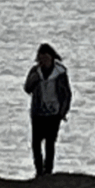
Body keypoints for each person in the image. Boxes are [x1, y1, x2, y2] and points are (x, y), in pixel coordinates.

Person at [23, 43, 72, 176]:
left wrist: (63, 112)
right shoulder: (35, 71)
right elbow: (27, 88)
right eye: (41, 58)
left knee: (50, 142)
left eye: (46, 58)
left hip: (54, 113)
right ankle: (39, 170)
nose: (43, 61)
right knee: (36, 143)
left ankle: (48, 170)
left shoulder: (60, 72)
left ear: (52, 57)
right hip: (38, 113)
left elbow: (66, 94)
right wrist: (35, 78)